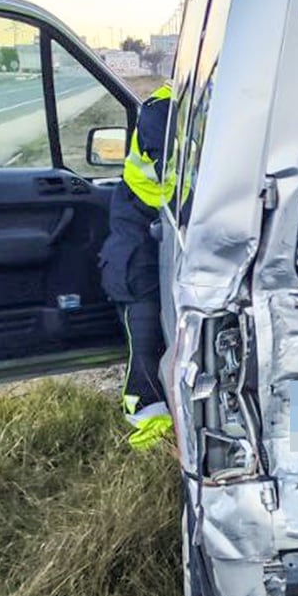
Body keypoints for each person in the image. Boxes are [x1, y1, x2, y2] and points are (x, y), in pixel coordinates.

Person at [98, 83, 174, 450]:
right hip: (139, 252)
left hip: (170, 246)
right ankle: (152, 440)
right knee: (146, 355)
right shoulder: (161, 110)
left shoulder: (211, 107)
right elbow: (186, 184)